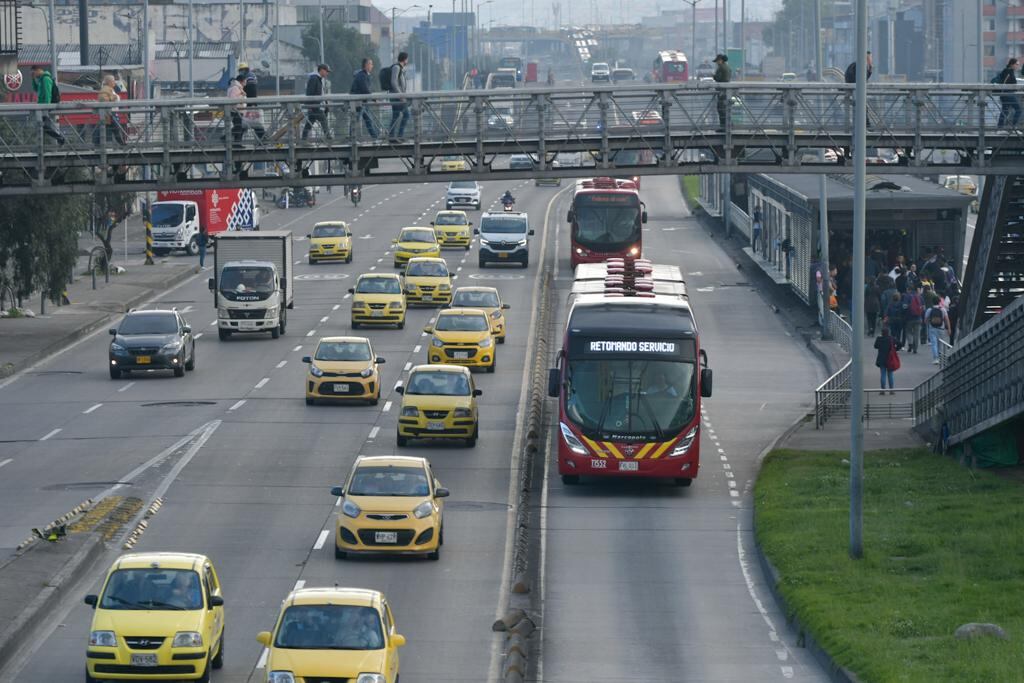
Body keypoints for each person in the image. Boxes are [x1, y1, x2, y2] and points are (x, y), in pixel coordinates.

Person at [31, 65, 65, 144]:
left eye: (34, 73)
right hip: (41, 107)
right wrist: (33, 79)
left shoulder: (46, 79)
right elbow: (36, 89)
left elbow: (48, 93)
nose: (34, 75)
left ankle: (60, 138)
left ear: (38, 70)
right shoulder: (40, 80)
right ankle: (57, 140)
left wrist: (47, 107)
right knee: (42, 126)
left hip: (45, 107)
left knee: (44, 126)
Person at [349, 58, 378, 138]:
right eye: (371, 64)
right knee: (356, 119)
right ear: (366, 65)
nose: (372, 66)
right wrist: (374, 99)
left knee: (368, 120)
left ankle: (375, 137)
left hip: (363, 102)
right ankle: (352, 138)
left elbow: (366, 89)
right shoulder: (362, 75)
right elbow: (365, 89)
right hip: (359, 102)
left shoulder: (364, 75)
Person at [302, 64, 332, 140]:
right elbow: (310, 93)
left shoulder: (317, 79)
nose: (327, 73)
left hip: (315, 106)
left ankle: (303, 139)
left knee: (309, 123)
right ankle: (329, 138)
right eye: (326, 71)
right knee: (323, 120)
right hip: (315, 106)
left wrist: (326, 105)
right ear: (321, 70)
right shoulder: (314, 79)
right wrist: (311, 106)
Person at [94, 74, 124, 145]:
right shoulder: (105, 89)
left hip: (110, 113)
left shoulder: (109, 88)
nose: (114, 82)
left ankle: (96, 144)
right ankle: (122, 144)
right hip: (110, 113)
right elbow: (103, 99)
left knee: (108, 128)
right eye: (113, 81)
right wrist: (114, 98)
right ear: (109, 82)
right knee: (116, 128)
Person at [386, 52, 410, 141]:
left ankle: (392, 136)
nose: (408, 60)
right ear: (405, 59)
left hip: (397, 96)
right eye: (407, 59)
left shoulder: (400, 68)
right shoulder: (396, 67)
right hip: (397, 97)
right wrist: (400, 95)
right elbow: (394, 82)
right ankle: (398, 135)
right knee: (407, 115)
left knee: (395, 116)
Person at [995, 58, 1021, 128]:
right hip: (1007, 94)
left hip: (1006, 94)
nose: (1018, 66)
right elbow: (1004, 83)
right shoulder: (1008, 71)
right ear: (1012, 64)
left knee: (1005, 111)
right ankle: (1013, 128)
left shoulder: (1009, 71)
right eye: (1017, 64)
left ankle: (1000, 128)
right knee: (1018, 110)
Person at [874, 326, 900, 394]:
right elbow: (900, 344)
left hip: (882, 359)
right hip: (890, 359)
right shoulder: (891, 338)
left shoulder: (879, 338)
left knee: (883, 374)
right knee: (890, 375)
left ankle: (882, 390)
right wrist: (895, 349)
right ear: (888, 332)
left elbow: (875, 346)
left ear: (882, 333)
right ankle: (891, 390)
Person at [925, 300, 950, 365]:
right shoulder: (943, 310)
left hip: (932, 328)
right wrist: (949, 329)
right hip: (941, 328)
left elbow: (926, 320)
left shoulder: (929, 310)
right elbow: (946, 319)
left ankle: (936, 358)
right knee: (940, 344)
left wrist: (928, 324)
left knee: (934, 343)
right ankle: (940, 357)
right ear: (939, 302)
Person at [902, 285, 924, 353]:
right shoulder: (919, 296)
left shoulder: (906, 296)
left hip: (909, 318)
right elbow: (923, 307)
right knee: (916, 334)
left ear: (908, 289)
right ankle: (915, 349)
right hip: (918, 317)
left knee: (908, 331)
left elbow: (904, 307)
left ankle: (910, 343)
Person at [712, 53, 731, 127]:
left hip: (722, 90)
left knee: (720, 109)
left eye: (717, 61)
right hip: (727, 90)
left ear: (720, 60)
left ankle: (723, 127)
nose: (716, 63)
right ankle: (727, 125)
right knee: (725, 109)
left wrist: (714, 76)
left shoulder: (721, 67)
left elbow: (718, 78)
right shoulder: (727, 67)